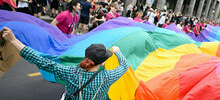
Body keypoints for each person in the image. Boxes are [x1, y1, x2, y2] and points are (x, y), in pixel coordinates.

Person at [1, 27, 129, 100]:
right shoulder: (107, 77)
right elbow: (124, 66)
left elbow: (41, 61)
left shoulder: (71, 72)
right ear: (102, 63)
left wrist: (13, 40)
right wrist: (117, 51)